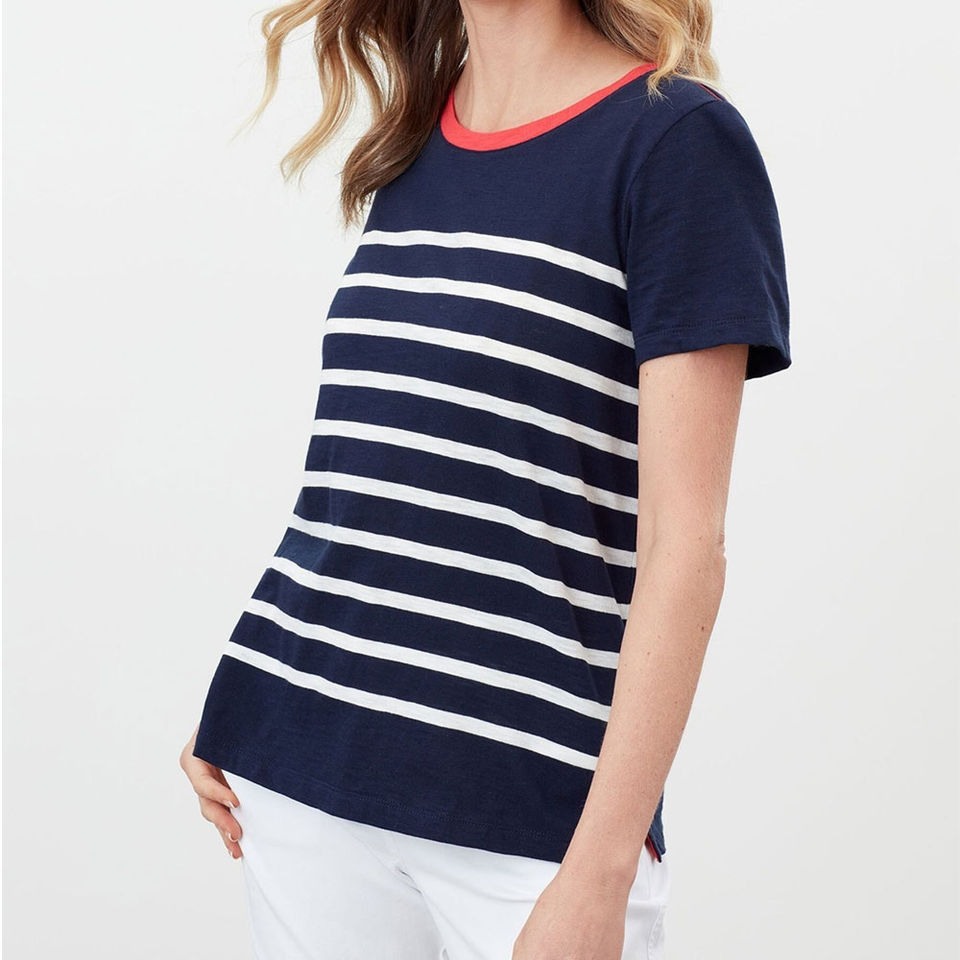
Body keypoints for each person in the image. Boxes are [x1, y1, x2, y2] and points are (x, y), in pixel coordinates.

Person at [179, 0, 791, 955]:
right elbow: (373, 470)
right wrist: (248, 698)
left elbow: (687, 546)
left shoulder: (676, 142)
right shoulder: (421, 139)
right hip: (303, 765)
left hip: (532, 819)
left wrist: (601, 871)